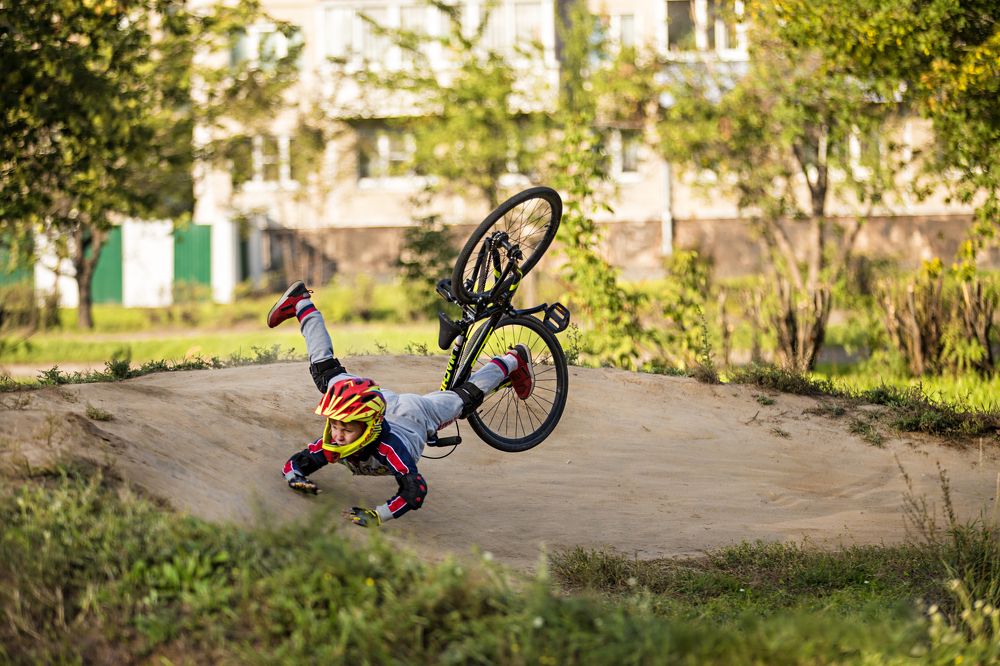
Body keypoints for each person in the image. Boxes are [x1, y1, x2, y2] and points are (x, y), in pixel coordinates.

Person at [267, 280, 534, 528]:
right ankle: (301, 303)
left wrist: (377, 516)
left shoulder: (391, 448)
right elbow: (296, 463)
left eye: (346, 430)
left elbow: (414, 490)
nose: (337, 435)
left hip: (414, 414)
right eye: (335, 425)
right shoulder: (335, 441)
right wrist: (295, 478)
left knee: (465, 398)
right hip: (375, 399)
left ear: (368, 428)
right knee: (325, 373)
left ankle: (513, 359)